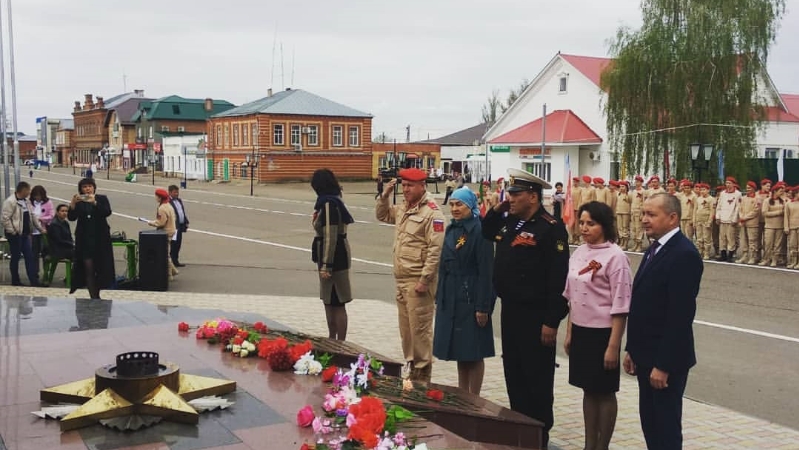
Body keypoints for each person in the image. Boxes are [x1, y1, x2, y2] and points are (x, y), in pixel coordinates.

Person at [481, 168, 569, 447]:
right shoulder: (510, 223)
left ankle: (539, 436)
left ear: (533, 196)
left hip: (537, 316)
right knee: (515, 373)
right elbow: (486, 231)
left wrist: (552, 321)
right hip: (512, 312)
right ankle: (520, 430)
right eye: (510, 194)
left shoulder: (550, 227)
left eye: (516, 194)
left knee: (537, 379)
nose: (511, 199)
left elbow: (558, 278)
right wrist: (497, 209)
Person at [624, 193, 703, 450]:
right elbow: (643, 305)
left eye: (651, 215)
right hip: (645, 356)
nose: (644, 220)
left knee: (666, 431)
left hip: (664, 363)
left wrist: (664, 365)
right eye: (643, 214)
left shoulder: (684, 254)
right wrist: (632, 349)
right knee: (650, 425)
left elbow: (679, 317)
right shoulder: (655, 247)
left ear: (672, 218)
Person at [564, 201, 632, 450]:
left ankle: (602, 445)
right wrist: (570, 331)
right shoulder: (579, 252)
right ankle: (589, 443)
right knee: (587, 389)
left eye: (590, 223)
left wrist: (613, 346)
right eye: (581, 222)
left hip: (604, 334)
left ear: (604, 225)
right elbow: (573, 295)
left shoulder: (616, 257)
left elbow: (621, 305)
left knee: (604, 391)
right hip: (581, 331)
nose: (584, 228)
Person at [376, 167, 445, 383]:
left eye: (410, 186)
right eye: (403, 186)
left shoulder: (432, 213)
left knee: (420, 334)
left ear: (422, 186)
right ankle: (412, 372)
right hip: (402, 281)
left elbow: (436, 250)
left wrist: (425, 280)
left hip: (418, 283)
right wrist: (385, 197)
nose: (405, 190)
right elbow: (383, 215)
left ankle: (422, 379)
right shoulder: (404, 208)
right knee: (407, 334)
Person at [433, 187, 496, 395]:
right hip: (451, 295)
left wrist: (483, 306)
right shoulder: (453, 229)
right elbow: (443, 265)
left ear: (470, 206)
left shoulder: (480, 230)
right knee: (461, 349)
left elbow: (486, 271)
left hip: (471, 296)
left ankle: (474, 397)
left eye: (459, 205)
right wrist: (439, 297)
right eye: (451, 204)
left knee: (474, 350)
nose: (454, 209)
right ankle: (462, 393)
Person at [311, 168, 355, 341]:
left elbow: (330, 235)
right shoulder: (331, 200)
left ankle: (340, 342)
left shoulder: (329, 204)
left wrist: (326, 264)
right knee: (328, 299)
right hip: (329, 253)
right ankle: (331, 338)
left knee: (337, 301)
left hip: (334, 256)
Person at [69, 178, 115, 299]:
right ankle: (93, 296)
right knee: (88, 268)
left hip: (100, 239)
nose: (87, 189)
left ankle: (98, 293)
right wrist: (73, 204)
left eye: (90, 186)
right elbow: (72, 217)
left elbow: (107, 212)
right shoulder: (79, 202)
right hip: (84, 240)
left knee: (100, 268)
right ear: (81, 189)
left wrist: (95, 203)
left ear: (94, 187)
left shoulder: (101, 199)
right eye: (84, 187)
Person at [2, 182, 46, 286]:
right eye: (28, 190)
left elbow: (33, 216)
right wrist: (13, 231)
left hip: (25, 234)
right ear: (23, 190)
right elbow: (5, 219)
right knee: (16, 257)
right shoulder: (10, 202)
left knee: (29, 256)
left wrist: (40, 228)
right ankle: (15, 280)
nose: (29, 192)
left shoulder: (26, 202)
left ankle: (34, 281)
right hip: (15, 234)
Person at [147, 188, 179, 281]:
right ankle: (174, 271)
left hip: (165, 232)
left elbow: (161, 222)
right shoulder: (169, 205)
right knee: (166, 252)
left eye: (156, 196)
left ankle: (169, 275)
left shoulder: (162, 208)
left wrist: (151, 222)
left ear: (160, 198)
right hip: (172, 229)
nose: (155, 198)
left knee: (165, 254)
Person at [760, 183, 786, 267]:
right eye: (780, 191)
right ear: (775, 191)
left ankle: (775, 260)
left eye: (782, 191)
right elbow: (764, 213)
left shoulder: (783, 201)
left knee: (777, 244)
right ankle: (766, 259)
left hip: (780, 225)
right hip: (769, 225)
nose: (782, 193)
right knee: (768, 243)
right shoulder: (767, 201)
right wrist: (778, 213)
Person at [715, 176, 741, 262]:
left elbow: (738, 207)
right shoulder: (723, 193)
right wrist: (718, 217)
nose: (728, 185)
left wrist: (734, 219)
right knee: (722, 237)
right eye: (727, 183)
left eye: (730, 183)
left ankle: (730, 255)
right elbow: (719, 206)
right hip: (723, 218)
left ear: (734, 184)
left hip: (731, 220)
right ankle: (723, 254)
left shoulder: (737, 194)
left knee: (731, 238)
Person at [737, 181, 761, 264]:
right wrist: (741, 217)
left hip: (752, 223)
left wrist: (745, 217)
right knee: (744, 240)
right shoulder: (743, 198)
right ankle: (744, 256)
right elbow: (740, 209)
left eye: (750, 188)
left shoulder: (757, 199)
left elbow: (755, 211)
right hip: (743, 223)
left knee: (752, 241)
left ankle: (753, 257)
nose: (748, 189)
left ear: (754, 189)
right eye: (747, 188)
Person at [168, 185, 189, 267]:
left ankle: (175, 260)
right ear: (169, 192)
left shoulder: (179, 201)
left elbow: (181, 212)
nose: (177, 194)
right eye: (175, 192)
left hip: (180, 226)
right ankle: (172, 261)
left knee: (178, 244)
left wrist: (186, 221)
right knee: (173, 244)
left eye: (177, 192)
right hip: (173, 227)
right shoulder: (168, 202)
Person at [785, 186, 799, 269]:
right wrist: (786, 227)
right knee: (792, 245)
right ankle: (793, 261)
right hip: (792, 226)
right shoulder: (789, 203)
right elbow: (786, 216)